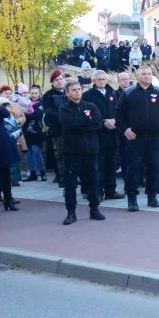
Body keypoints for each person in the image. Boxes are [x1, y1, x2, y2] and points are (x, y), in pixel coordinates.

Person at [115, 65, 159, 211]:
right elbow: (119, 113)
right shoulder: (128, 92)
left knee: (154, 167)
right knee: (133, 168)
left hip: (155, 137)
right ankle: (132, 199)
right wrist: (125, 129)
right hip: (135, 138)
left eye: (149, 74)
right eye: (144, 74)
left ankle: (152, 197)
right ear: (137, 76)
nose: (147, 76)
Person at [58, 79, 105, 225]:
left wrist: (83, 121)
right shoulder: (64, 109)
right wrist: (86, 120)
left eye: (79, 89)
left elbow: (97, 123)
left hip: (91, 151)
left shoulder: (91, 106)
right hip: (72, 152)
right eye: (73, 90)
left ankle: (94, 209)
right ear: (67, 93)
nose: (77, 91)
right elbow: (69, 124)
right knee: (70, 184)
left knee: (93, 181)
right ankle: (71, 212)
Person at [82, 70, 124, 200]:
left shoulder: (112, 93)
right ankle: (97, 192)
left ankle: (111, 190)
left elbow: (119, 111)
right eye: (99, 79)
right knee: (97, 166)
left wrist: (115, 121)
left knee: (111, 165)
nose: (102, 81)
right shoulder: (88, 95)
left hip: (112, 136)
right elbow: (86, 114)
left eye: (104, 79)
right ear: (94, 81)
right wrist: (103, 121)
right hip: (97, 136)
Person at [42, 69, 68, 186]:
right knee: (60, 155)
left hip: (71, 129)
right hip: (57, 129)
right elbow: (48, 111)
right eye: (56, 80)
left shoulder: (68, 91)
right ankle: (62, 178)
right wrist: (63, 117)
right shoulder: (48, 95)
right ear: (52, 82)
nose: (59, 82)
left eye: (61, 79)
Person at [22, 85, 47, 181]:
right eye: (32, 93)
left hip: (37, 132)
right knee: (28, 153)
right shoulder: (27, 103)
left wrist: (26, 113)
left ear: (39, 93)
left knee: (36, 151)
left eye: (36, 93)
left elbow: (37, 115)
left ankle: (42, 172)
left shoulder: (41, 103)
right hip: (26, 132)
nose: (33, 95)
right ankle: (32, 173)